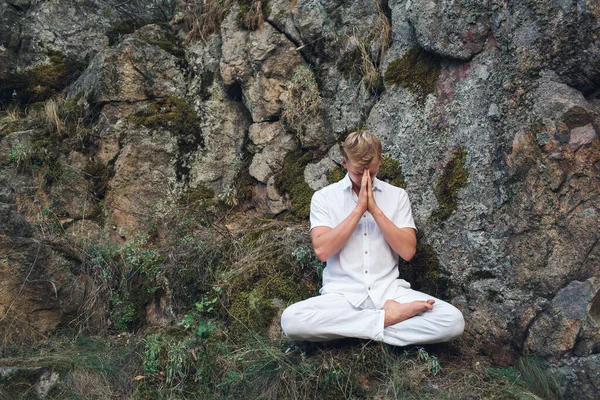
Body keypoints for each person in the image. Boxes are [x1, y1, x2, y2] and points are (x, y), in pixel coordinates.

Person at [280, 130, 464, 346]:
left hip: (390, 293)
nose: (365, 178)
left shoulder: (397, 196)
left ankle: (352, 331)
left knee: (452, 321)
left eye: (373, 172)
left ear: (380, 161)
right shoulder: (324, 198)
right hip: (342, 297)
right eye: (359, 172)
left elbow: (407, 252)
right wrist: (359, 210)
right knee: (292, 320)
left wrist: (375, 210)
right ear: (344, 163)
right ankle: (387, 320)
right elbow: (322, 251)